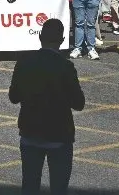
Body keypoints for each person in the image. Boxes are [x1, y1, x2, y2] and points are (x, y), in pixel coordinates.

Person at [8, 18, 85, 195]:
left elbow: (13, 97)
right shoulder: (66, 66)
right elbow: (79, 103)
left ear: (40, 37)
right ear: (62, 39)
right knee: (59, 187)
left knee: (29, 184)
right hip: (59, 135)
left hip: (30, 132)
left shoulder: (24, 62)